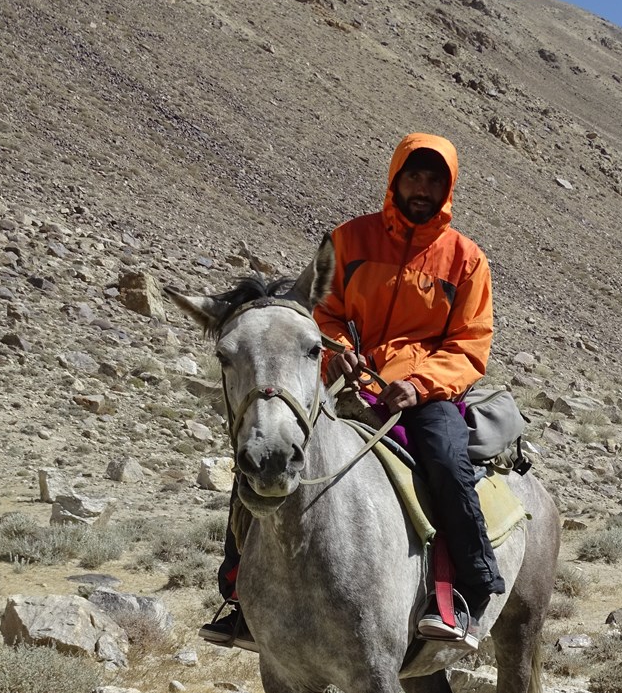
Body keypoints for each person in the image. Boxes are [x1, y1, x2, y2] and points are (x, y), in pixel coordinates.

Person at [200, 132, 505, 650]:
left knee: (446, 462)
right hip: (349, 383)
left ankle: (466, 590)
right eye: (414, 175)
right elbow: (321, 310)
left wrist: (417, 384)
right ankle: (240, 590)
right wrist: (338, 347)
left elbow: (469, 344)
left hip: (426, 394)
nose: (422, 187)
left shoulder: (466, 260)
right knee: (266, 446)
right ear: (395, 178)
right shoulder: (350, 241)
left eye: (435, 178)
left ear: (448, 187)